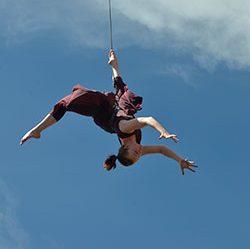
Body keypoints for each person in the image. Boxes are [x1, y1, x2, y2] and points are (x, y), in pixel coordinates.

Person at [20, 50, 197, 175]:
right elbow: (160, 149)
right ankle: (114, 65)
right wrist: (179, 160)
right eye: (138, 156)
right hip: (115, 107)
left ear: (126, 147)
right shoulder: (136, 146)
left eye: (136, 154)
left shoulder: (125, 129)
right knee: (121, 94)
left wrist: (163, 132)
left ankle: (37, 130)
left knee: (69, 103)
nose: (140, 152)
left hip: (101, 108)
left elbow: (148, 119)